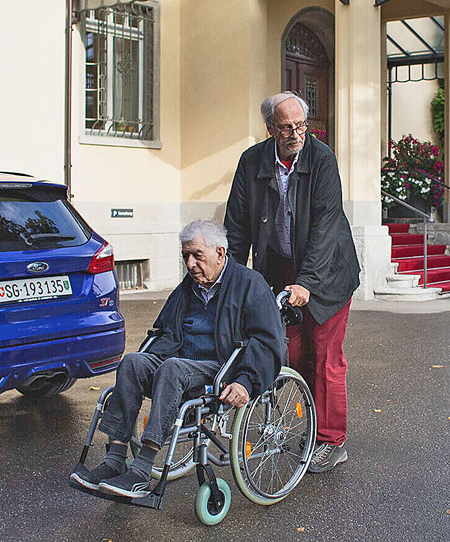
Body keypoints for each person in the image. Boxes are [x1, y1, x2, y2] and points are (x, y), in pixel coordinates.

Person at [70, 220, 283, 498]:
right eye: (186, 256)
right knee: (133, 362)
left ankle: (142, 469)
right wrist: (151, 358)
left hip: (220, 367)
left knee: (172, 369)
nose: (191, 263)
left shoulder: (249, 284)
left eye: (197, 255)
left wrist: (246, 382)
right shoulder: (188, 287)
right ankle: (114, 460)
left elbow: (266, 341)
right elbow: (164, 330)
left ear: (220, 253)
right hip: (180, 361)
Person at [224, 91, 360, 474]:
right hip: (282, 271)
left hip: (328, 274)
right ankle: (309, 424)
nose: (297, 133)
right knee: (290, 354)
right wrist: (228, 281)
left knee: (325, 357)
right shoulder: (252, 162)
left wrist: (307, 283)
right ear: (270, 129)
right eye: (287, 128)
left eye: (302, 125)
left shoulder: (322, 160)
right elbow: (236, 227)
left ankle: (331, 441)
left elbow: (326, 227)